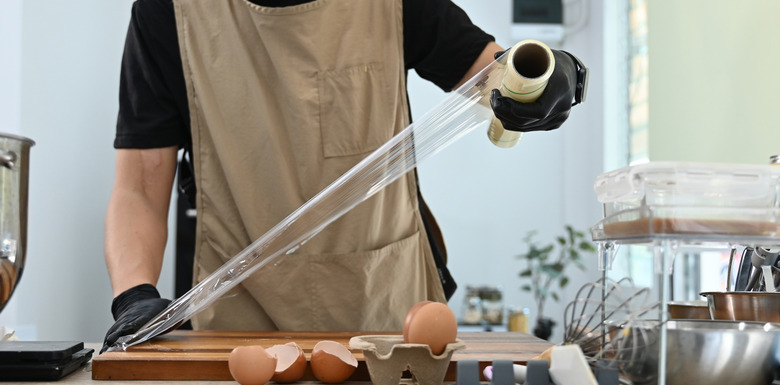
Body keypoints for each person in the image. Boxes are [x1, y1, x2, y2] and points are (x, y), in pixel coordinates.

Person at [102, 0, 586, 352]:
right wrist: (134, 296)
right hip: (239, 325)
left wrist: (552, 77)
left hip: (388, 319)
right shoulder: (168, 12)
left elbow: (493, 76)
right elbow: (141, 185)